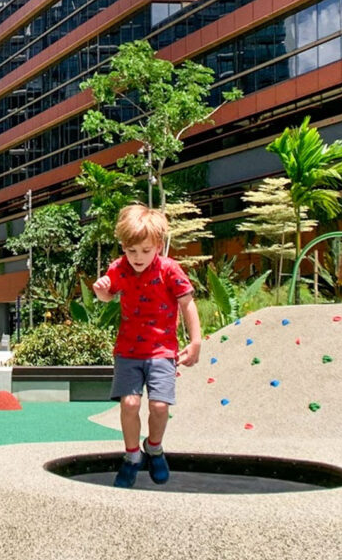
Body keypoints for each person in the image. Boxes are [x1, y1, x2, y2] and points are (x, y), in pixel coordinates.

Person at [92, 203, 201, 488]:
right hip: (128, 351)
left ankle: (154, 448)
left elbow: (187, 303)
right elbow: (108, 295)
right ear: (123, 248)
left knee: (160, 406)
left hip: (162, 352)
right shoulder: (119, 268)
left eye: (145, 251)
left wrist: (196, 341)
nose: (137, 258)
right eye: (131, 251)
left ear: (158, 245)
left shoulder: (169, 269)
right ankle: (131, 457)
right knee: (129, 403)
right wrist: (101, 291)